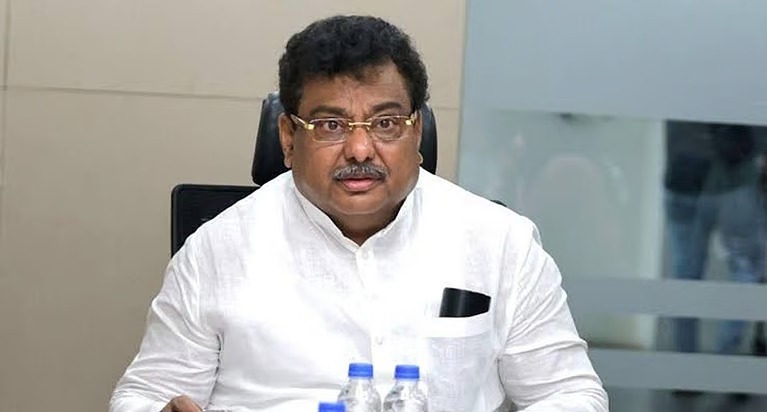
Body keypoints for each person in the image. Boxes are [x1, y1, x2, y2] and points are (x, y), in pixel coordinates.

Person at [110, 15, 608, 412]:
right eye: (331, 125)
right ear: (288, 138)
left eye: (386, 122)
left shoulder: (500, 242)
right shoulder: (216, 250)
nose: (360, 149)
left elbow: (570, 393)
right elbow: (145, 393)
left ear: (417, 131)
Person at [664, 121, 767, 360]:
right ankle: (725, 358)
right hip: (734, 174)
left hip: (684, 172)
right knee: (745, 269)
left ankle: (685, 363)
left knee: (685, 275)